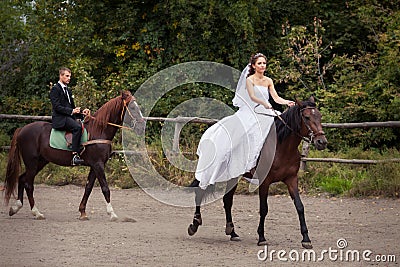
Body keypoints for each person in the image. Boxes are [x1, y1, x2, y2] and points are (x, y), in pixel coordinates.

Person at [195, 53, 295, 189]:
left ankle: (270, 164)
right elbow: (253, 97)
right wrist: (263, 103)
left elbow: (276, 98)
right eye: (259, 63)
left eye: (264, 63)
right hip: (251, 111)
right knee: (244, 134)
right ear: (254, 66)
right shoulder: (250, 80)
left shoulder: (268, 81)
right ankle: (238, 161)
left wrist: (287, 102)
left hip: (265, 112)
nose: (262, 66)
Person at [49, 67, 90, 165]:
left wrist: (81, 112)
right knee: (77, 128)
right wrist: (72, 111)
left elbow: (72, 108)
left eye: (70, 76)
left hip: (68, 116)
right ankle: (75, 155)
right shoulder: (55, 89)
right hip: (60, 118)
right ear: (61, 76)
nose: (69, 78)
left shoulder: (68, 90)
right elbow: (57, 107)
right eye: (67, 76)